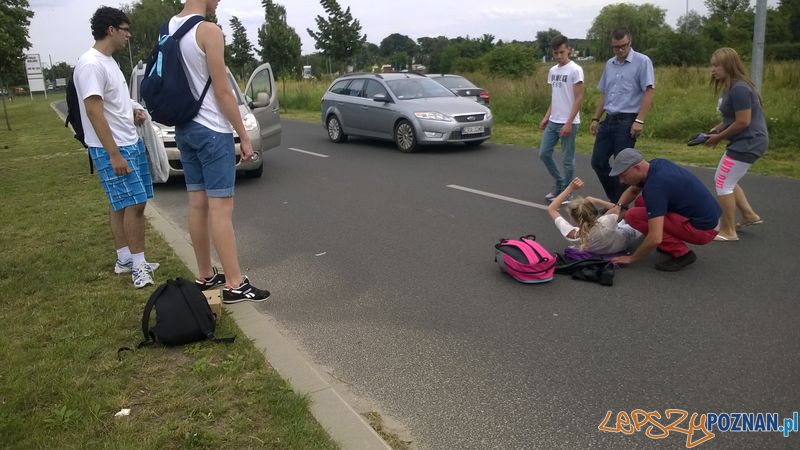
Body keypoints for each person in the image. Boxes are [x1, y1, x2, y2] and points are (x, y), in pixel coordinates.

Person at [170, 0, 269, 303]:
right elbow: (223, 91)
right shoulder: (209, 31)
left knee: (197, 205)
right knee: (221, 210)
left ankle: (205, 275)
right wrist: (244, 135)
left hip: (184, 128)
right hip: (212, 130)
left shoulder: (169, 27)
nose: (219, 2)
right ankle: (236, 284)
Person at [74, 6, 158, 289]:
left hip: (128, 141)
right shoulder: (91, 64)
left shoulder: (109, 62)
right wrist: (113, 154)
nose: (129, 35)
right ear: (111, 29)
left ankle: (124, 259)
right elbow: (94, 111)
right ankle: (138, 266)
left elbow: (114, 104)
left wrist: (133, 111)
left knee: (123, 203)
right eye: (125, 29)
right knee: (134, 205)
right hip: (112, 147)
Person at [607, 148, 721, 272]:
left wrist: (631, 258)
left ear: (637, 167)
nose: (621, 181)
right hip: (710, 218)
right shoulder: (656, 164)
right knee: (641, 202)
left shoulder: (655, 188)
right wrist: (618, 206)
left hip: (704, 230)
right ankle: (668, 244)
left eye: (623, 175)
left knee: (632, 216)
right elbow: (634, 190)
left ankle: (682, 254)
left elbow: (655, 237)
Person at [704, 47, 767, 242]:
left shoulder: (739, 88)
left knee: (723, 183)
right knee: (727, 180)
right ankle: (749, 215)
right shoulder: (732, 87)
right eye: (712, 65)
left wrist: (719, 137)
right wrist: (717, 129)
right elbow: (732, 118)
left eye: (717, 65)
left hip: (748, 142)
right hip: (747, 141)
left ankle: (728, 231)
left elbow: (743, 122)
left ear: (729, 66)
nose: (713, 69)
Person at [589, 28, 655, 203]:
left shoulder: (642, 61)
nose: (620, 50)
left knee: (625, 168)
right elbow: (604, 93)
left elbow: (648, 91)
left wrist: (639, 120)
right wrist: (596, 118)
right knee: (598, 162)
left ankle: (620, 205)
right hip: (609, 120)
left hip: (627, 122)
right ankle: (617, 202)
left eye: (623, 46)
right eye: (616, 47)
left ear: (630, 42)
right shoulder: (610, 64)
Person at [538, 35, 584, 203]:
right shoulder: (553, 71)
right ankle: (559, 182)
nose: (558, 56)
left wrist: (569, 122)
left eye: (562, 52)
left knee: (567, 159)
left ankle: (567, 191)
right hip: (554, 120)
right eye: (555, 53)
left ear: (568, 50)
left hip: (569, 121)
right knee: (544, 153)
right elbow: (555, 97)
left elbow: (579, 98)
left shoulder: (575, 70)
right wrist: (546, 116)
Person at [547, 177, 641, 255]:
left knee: (622, 220)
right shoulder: (605, 221)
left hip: (605, 246)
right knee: (634, 213)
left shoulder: (572, 234)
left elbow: (551, 209)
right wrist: (596, 200)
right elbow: (620, 209)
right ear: (593, 212)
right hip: (623, 240)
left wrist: (569, 188)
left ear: (573, 218)